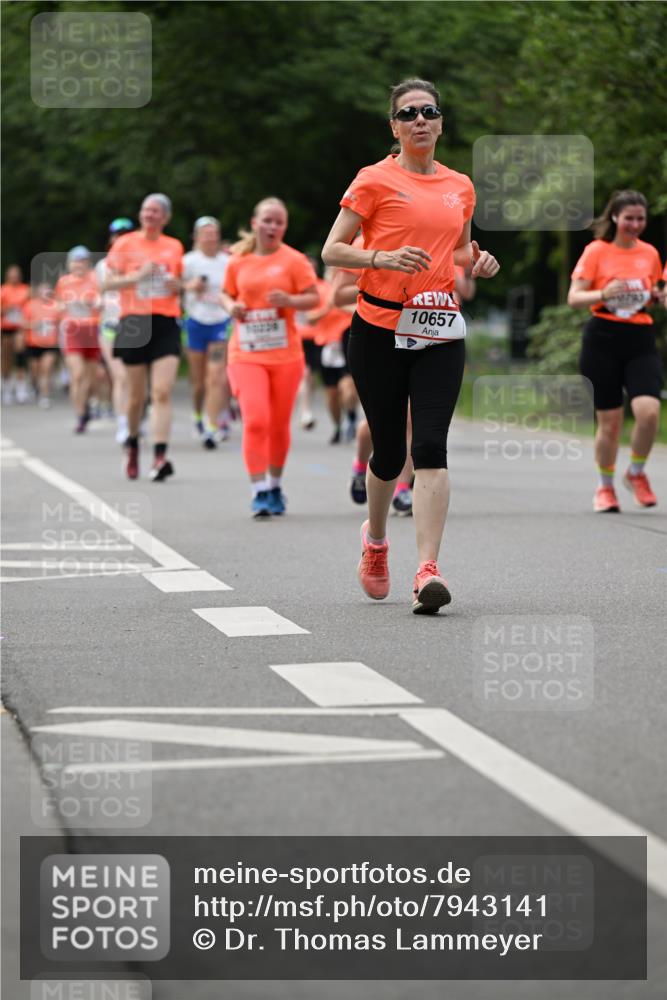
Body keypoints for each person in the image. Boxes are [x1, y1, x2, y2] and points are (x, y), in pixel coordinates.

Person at [322, 78, 499, 614]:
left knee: (430, 448)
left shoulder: (460, 186)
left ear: (442, 123)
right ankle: (376, 543)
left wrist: (480, 260)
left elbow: (459, 251)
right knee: (390, 451)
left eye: (429, 111)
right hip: (378, 329)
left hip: (439, 330)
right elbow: (333, 250)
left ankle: (427, 570)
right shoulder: (373, 180)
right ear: (394, 127)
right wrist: (379, 258)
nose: (420, 119)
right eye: (408, 113)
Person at [221, 197, 318, 517]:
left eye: (279, 222)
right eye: (267, 220)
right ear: (254, 223)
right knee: (257, 419)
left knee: (278, 425)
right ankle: (258, 490)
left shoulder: (294, 261)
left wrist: (289, 299)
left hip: (285, 354)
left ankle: (275, 485)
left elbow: (313, 298)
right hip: (246, 353)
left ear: (284, 227)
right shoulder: (239, 259)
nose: (273, 226)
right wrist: (230, 307)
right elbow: (226, 293)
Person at [567, 190, 664, 512]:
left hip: (640, 339)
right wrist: (602, 292)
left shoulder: (649, 253)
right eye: (629, 218)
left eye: (640, 219)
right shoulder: (597, 250)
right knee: (609, 423)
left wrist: (657, 296)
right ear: (615, 218)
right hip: (602, 340)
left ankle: (636, 473)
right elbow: (574, 298)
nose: (635, 224)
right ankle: (605, 487)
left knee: (649, 412)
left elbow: (650, 292)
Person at [104, 193, 184, 481]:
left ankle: (160, 456)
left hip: (165, 320)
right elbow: (107, 283)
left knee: (161, 391)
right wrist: (136, 278)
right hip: (133, 322)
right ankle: (134, 444)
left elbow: (177, 283)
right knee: (137, 396)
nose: (149, 215)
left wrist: (178, 285)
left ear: (165, 217)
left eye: (155, 211)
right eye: (145, 210)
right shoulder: (125, 244)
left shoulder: (174, 246)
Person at [182, 216, 232, 449]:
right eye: (205, 233)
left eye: (214, 233)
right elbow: (173, 286)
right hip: (195, 321)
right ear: (197, 237)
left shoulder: (227, 261)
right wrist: (189, 286)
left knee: (216, 377)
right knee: (199, 382)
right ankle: (198, 416)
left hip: (220, 323)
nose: (210, 237)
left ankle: (212, 427)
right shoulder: (189, 261)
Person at [54, 246, 101, 433]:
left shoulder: (96, 279)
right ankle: (80, 415)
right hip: (72, 330)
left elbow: (103, 300)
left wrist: (93, 303)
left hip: (92, 330)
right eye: (75, 261)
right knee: (77, 375)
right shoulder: (64, 282)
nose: (78, 265)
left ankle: (86, 404)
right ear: (70, 264)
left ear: (88, 263)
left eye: (82, 261)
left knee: (90, 379)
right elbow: (57, 303)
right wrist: (62, 306)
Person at [96, 217, 134, 443]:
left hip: (136, 325)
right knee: (120, 376)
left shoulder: (141, 260)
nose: (121, 239)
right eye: (117, 235)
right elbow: (103, 289)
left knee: (136, 378)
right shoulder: (103, 265)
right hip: (111, 325)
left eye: (125, 234)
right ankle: (123, 422)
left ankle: (135, 418)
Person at [21, 282, 60, 407]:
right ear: (38, 292)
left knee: (46, 368)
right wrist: (34, 325)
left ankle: (45, 396)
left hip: (50, 344)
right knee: (35, 370)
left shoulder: (56, 306)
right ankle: (35, 386)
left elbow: (62, 323)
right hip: (33, 343)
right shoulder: (29, 305)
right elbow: (22, 323)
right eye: (43, 290)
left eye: (48, 290)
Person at [1, 265, 31, 404]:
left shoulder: (26, 290)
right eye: (11, 275)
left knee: (20, 355)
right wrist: (8, 308)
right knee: (6, 357)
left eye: (16, 275)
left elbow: (31, 307)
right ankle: (6, 387)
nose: (14, 277)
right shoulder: (3, 290)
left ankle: (21, 386)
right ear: (7, 276)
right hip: (6, 327)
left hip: (20, 327)